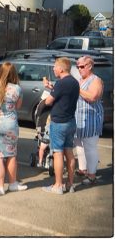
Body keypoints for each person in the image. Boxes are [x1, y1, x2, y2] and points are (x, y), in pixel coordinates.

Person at [0, 62, 27, 195]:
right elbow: (18, 106)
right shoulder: (17, 89)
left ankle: (0, 186)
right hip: (10, 125)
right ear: (14, 74)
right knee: (11, 155)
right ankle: (13, 183)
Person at [42, 57, 79, 194]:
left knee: (58, 153)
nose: (53, 68)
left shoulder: (61, 83)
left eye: (55, 67)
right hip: (71, 121)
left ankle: (58, 185)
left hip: (59, 122)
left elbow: (49, 102)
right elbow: (63, 95)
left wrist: (48, 94)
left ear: (62, 68)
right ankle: (70, 184)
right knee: (69, 152)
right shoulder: (74, 82)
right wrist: (52, 87)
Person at [74, 56, 104, 185]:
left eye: (82, 66)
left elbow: (93, 97)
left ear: (90, 66)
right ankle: (82, 169)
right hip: (77, 118)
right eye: (77, 67)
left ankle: (92, 175)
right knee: (79, 145)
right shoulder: (80, 80)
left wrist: (77, 89)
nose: (79, 69)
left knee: (90, 147)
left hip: (91, 119)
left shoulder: (95, 80)